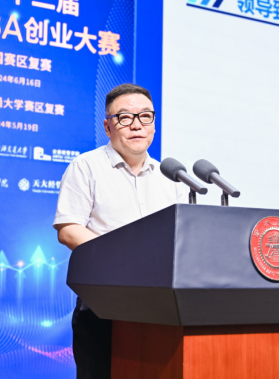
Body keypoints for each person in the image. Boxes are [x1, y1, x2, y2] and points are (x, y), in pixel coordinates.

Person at [53, 83, 188, 379]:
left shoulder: (171, 177)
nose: (137, 125)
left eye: (145, 116)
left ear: (154, 124)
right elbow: (69, 229)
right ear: (108, 126)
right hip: (104, 302)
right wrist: (122, 261)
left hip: (161, 305)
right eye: (125, 117)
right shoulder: (86, 166)